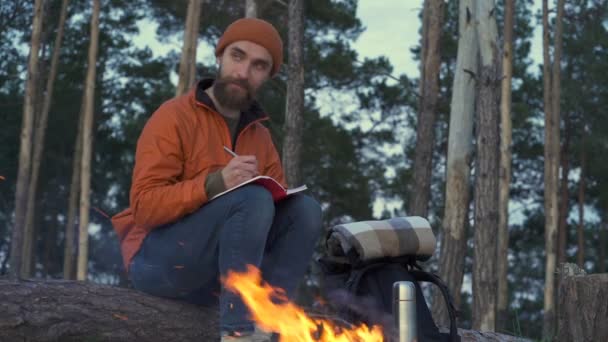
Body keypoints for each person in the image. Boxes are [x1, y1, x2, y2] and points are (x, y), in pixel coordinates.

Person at [111, 18, 323, 342]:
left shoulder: (260, 137)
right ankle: (238, 334)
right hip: (158, 263)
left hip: (218, 276)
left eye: (258, 65)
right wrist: (214, 184)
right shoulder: (174, 117)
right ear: (220, 56)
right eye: (237, 57)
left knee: (305, 210)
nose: (243, 71)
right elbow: (144, 207)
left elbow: (277, 215)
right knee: (251, 198)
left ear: (267, 76)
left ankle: (269, 324)